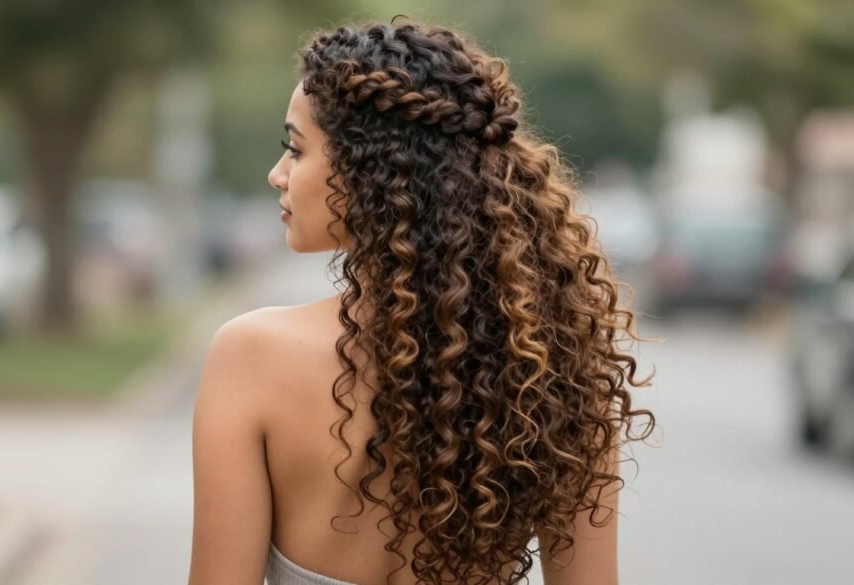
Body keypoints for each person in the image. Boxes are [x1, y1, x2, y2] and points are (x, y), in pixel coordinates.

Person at [189, 15, 658, 585]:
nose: (277, 174)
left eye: (296, 150)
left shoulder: (251, 358)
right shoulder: (555, 371)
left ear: (368, 170)